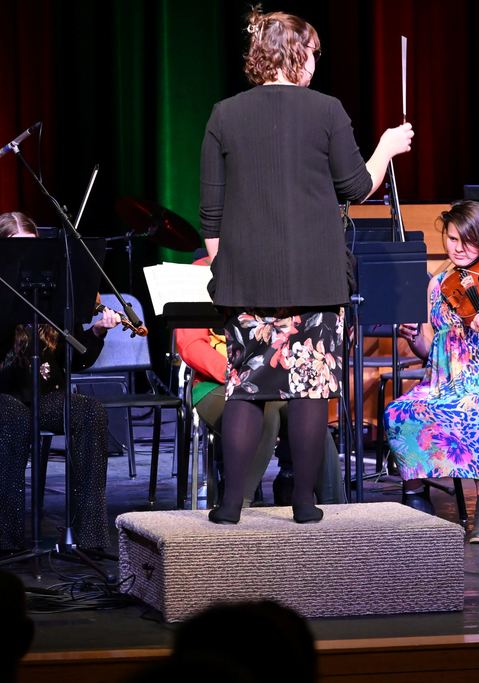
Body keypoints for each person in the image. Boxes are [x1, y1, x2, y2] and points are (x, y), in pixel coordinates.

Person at [199, 7, 413, 524]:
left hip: (246, 278)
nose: (316, 64)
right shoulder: (326, 110)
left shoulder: (224, 114)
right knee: (310, 388)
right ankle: (304, 503)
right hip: (315, 276)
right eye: (312, 54)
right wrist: (385, 148)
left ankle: (230, 506)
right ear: (294, 54)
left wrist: (219, 267)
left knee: (246, 386)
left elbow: (210, 210)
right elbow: (357, 188)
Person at [384, 201, 479, 543]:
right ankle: (416, 497)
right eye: (451, 239)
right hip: (444, 378)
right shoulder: (438, 285)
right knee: (399, 410)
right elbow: (430, 349)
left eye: (468, 240)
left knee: (467, 407)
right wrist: (415, 335)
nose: (459, 248)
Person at [175, 258, 338, 508]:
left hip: (276, 379)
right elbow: (190, 345)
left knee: (311, 414)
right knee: (266, 414)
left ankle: (335, 506)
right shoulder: (199, 270)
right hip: (216, 383)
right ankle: (239, 503)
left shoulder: (270, 265)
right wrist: (236, 374)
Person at [0, 211, 119, 552]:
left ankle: (91, 537)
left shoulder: (52, 294)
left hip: (46, 394)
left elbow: (76, 362)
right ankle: (7, 538)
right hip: (5, 395)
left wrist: (96, 332)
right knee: (13, 418)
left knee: (89, 412)